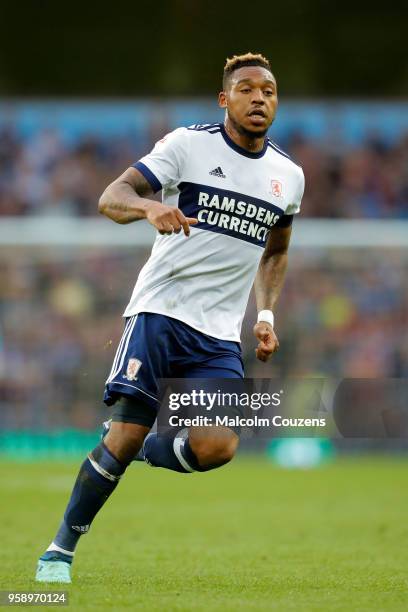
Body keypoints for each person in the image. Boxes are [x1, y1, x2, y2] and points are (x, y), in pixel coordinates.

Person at [35, 52, 304, 583]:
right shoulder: (187, 145)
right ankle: (59, 551)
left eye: (268, 91)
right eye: (247, 89)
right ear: (225, 99)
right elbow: (112, 196)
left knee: (218, 446)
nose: (259, 98)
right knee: (124, 437)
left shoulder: (288, 176)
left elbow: (275, 251)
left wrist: (265, 312)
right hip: (161, 312)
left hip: (219, 335)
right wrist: (150, 207)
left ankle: (139, 451)